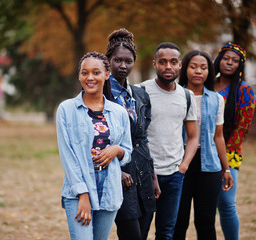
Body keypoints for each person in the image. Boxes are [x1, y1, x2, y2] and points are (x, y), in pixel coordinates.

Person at [56, 51, 132, 240]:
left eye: (96, 72)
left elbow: (128, 151)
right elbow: (67, 156)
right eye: (84, 72)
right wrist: (83, 194)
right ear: (79, 75)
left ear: (107, 75)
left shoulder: (119, 112)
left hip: (110, 191)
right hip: (78, 191)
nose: (90, 77)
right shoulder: (66, 110)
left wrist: (118, 149)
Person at [105, 28, 160, 240]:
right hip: (119, 174)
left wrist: (153, 176)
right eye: (117, 60)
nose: (123, 66)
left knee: (144, 232)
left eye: (128, 61)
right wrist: (115, 172)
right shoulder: (101, 95)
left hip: (143, 171)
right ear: (108, 60)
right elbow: (97, 139)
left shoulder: (140, 95)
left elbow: (143, 138)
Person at [140, 42, 198, 239]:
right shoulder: (140, 91)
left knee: (166, 233)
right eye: (163, 62)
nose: (168, 66)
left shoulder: (187, 96)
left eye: (173, 62)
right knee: (140, 231)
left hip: (174, 175)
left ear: (180, 65)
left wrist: (183, 166)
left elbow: (193, 136)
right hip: (146, 173)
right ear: (155, 64)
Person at [173, 50, 233, 240]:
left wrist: (226, 169)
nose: (198, 71)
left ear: (209, 71)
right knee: (178, 220)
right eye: (193, 66)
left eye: (203, 67)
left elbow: (219, 137)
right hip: (179, 163)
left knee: (205, 220)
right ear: (185, 69)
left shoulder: (217, 99)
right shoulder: (175, 96)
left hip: (209, 166)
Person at [214, 42, 256, 240]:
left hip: (228, 154)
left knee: (227, 204)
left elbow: (242, 129)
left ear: (241, 65)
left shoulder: (244, 90)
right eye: (225, 58)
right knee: (204, 208)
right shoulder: (206, 84)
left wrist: (224, 159)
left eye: (235, 60)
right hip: (199, 152)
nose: (229, 63)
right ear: (218, 60)